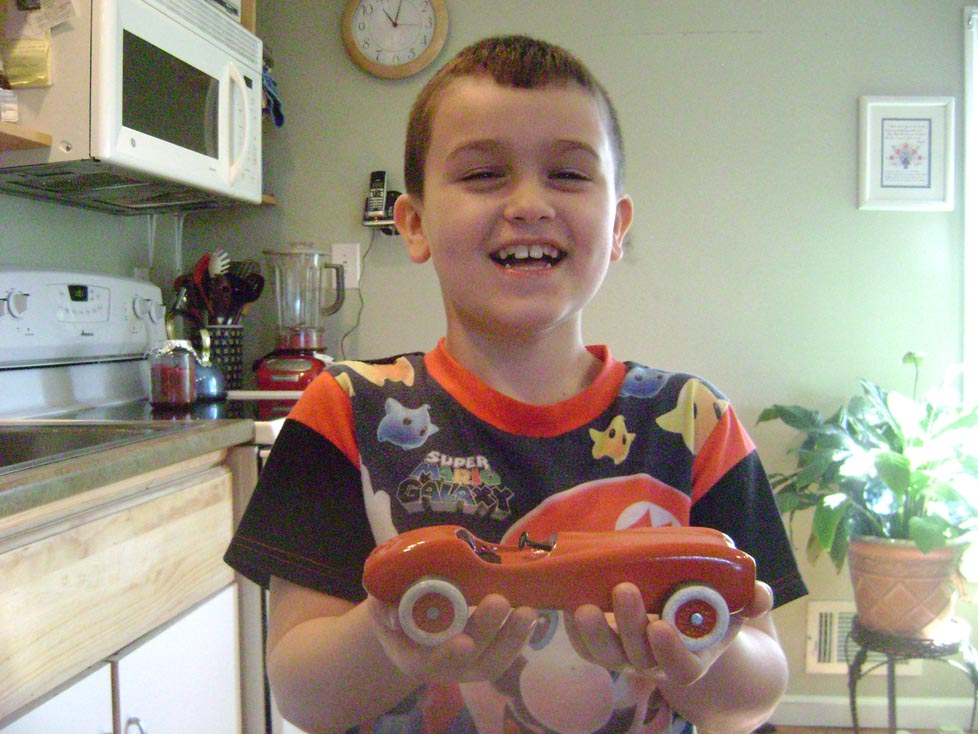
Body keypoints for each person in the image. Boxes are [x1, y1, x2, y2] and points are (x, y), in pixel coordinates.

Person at [225, 34, 807, 734]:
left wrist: (697, 658)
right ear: (415, 225)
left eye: (568, 174)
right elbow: (302, 694)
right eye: (483, 175)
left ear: (617, 227)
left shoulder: (695, 422)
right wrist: (394, 643)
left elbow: (757, 693)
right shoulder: (345, 412)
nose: (530, 203)